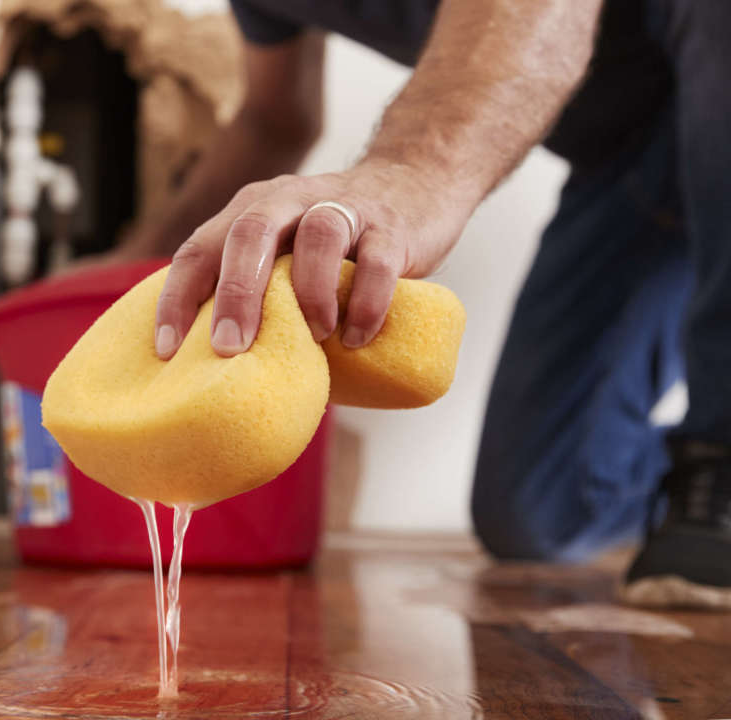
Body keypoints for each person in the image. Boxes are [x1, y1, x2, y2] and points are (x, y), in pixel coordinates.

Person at [92, 0, 731, 606]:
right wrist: (133, 265)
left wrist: (412, 172)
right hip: (632, 164)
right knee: (538, 515)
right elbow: (273, 120)